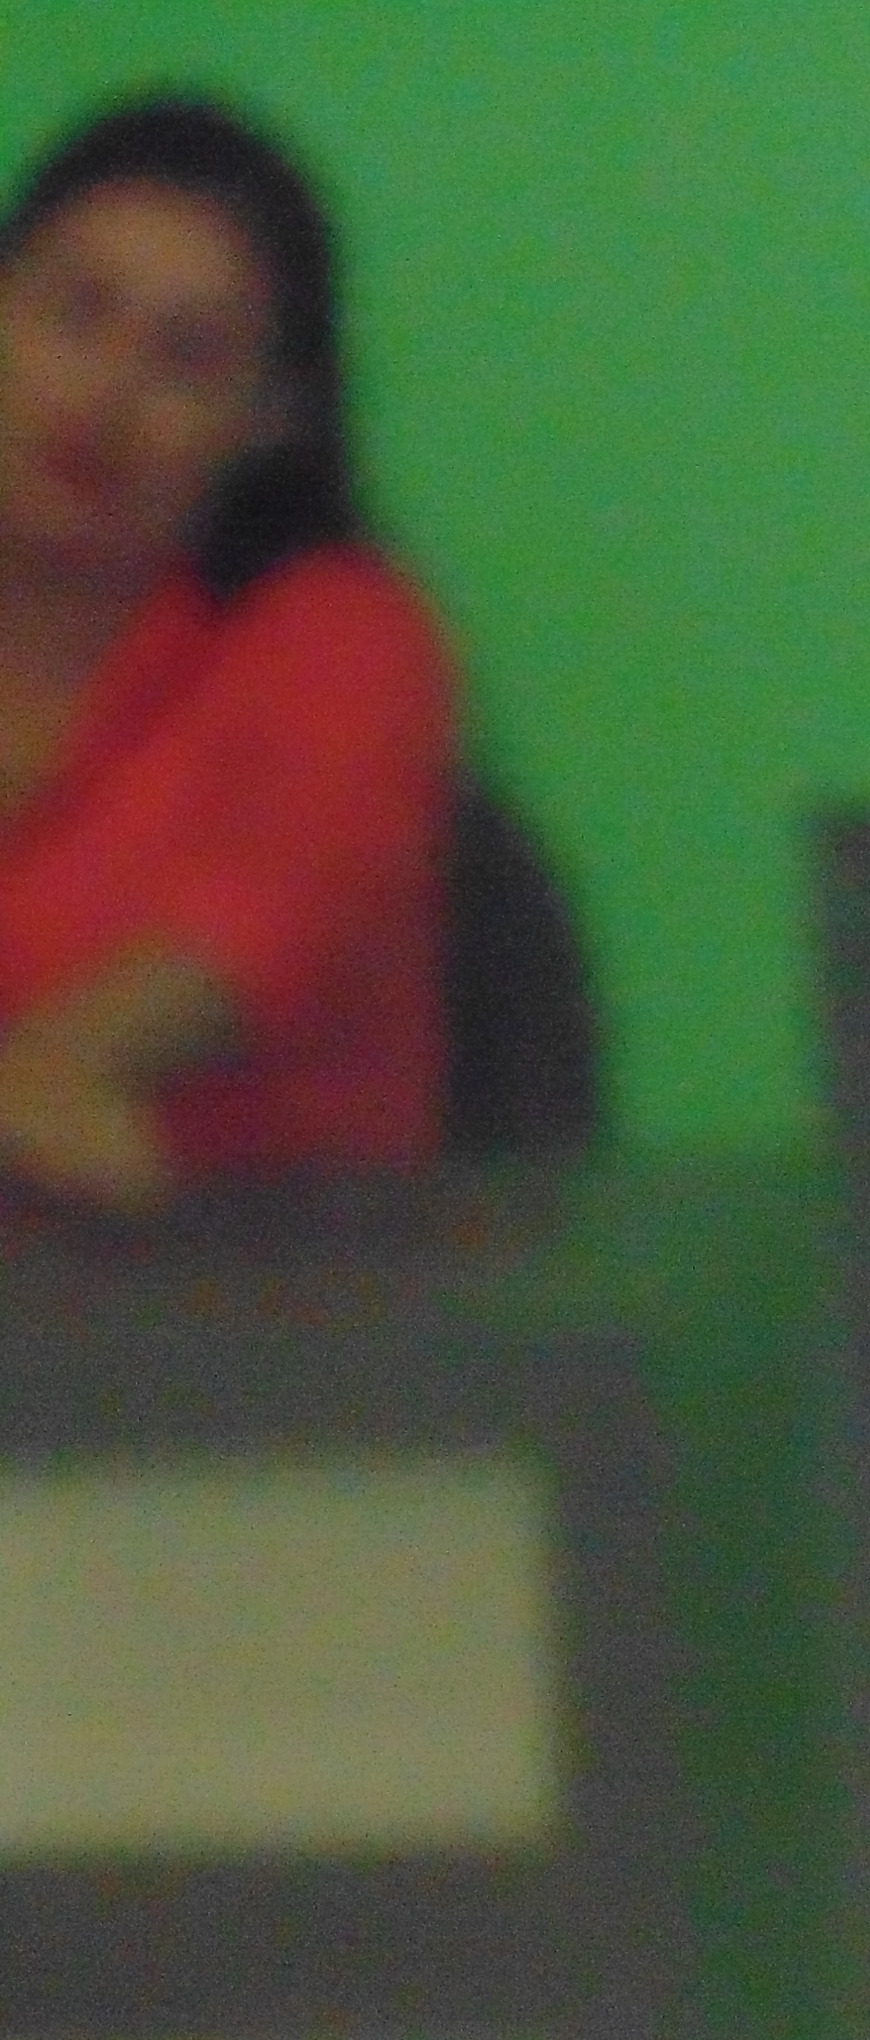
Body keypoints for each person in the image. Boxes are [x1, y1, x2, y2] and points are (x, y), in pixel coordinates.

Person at [0, 96, 455, 1215]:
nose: (104, 396)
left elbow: (243, 939)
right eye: (74, 317)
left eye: (185, 358)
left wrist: (45, 1080)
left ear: (268, 418)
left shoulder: (343, 638)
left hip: (267, 1296)